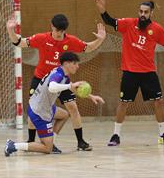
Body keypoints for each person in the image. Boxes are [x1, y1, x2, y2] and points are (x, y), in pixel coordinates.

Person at [95, 0, 164, 146]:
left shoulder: (156, 29)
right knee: (123, 103)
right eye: (140, 11)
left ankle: (163, 134)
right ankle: (116, 135)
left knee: (159, 102)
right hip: (130, 72)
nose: (142, 14)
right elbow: (110, 21)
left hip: (148, 72)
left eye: (146, 12)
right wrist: (103, 11)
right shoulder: (128, 24)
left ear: (151, 13)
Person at [7, 14, 106, 152]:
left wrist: (99, 40)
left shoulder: (70, 40)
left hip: (61, 80)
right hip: (41, 79)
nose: (60, 34)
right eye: (57, 30)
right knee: (34, 110)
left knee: (72, 108)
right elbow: (20, 42)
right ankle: (30, 140)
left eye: (62, 31)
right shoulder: (42, 38)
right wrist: (11, 31)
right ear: (52, 26)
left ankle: (79, 142)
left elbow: (87, 47)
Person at [4, 52, 104, 156]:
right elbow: (52, 87)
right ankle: (14, 145)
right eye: (75, 63)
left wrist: (91, 96)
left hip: (41, 106)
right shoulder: (58, 75)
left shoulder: (62, 74)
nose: (77, 66)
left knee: (64, 115)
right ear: (66, 64)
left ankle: (51, 141)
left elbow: (72, 88)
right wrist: (69, 86)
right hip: (39, 111)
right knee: (47, 148)